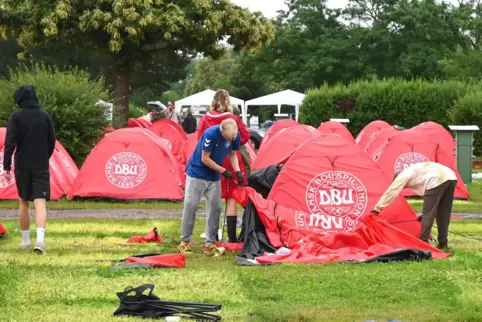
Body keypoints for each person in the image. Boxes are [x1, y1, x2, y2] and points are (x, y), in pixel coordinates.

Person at [3, 85, 56, 254]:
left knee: (24, 201)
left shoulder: (16, 116)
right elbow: (51, 141)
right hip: (40, 163)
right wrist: (44, 156)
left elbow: (10, 142)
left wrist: (6, 166)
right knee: (41, 202)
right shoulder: (45, 116)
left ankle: (25, 241)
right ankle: (40, 241)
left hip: (22, 164)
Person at [179, 118, 243, 256]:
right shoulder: (211, 134)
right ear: (222, 131)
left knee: (215, 208)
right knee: (191, 205)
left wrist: (237, 171)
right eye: (229, 137)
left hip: (214, 176)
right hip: (197, 173)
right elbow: (205, 158)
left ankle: (210, 244)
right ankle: (185, 241)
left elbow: (233, 155)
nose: (232, 139)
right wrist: (223, 171)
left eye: (234, 136)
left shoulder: (234, 135)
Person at [197, 89, 251, 243]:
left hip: (213, 160)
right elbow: (245, 136)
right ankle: (232, 238)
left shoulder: (205, 119)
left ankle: (211, 236)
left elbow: (200, 138)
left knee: (212, 199)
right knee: (231, 198)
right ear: (228, 102)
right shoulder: (233, 119)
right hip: (231, 159)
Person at [370, 162, 457, 249]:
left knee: (428, 214)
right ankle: (443, 243)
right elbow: (435, 203)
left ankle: (424, 243)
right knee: (444, 213)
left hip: (436, 179)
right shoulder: (414, 170)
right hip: (451, 176)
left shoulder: (403, 176)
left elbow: (392, 191)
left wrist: (377, 208)